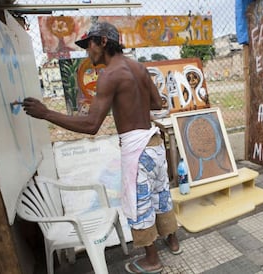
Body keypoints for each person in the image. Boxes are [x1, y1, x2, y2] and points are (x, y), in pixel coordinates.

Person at [23, 21, 181, 274]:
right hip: (154, 145)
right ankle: (172, 241)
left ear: (104, 42)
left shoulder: (109, 75)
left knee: (137, 205)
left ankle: (152, 260)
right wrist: (127, 104)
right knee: (160, 195)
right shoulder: (139, 67)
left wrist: (46, 113)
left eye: (89, 45)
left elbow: (91, 126)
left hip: (136, 151)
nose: (87, 51)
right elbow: (155, 103)